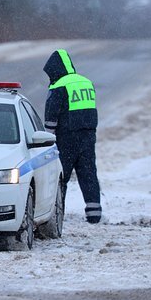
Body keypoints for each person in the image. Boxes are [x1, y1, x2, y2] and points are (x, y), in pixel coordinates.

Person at [43, 49, 101, 224]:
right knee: (88, 173)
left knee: (62, 176)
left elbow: (52, 114)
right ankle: (94, 214)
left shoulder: (59, 85)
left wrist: (48, 138)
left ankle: (57, 215)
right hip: (88, 135)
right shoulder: (86, 82)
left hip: (67, 137)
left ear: (55, 69)